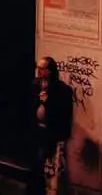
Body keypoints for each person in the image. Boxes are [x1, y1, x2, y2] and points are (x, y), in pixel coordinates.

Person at [30, 57, 74, 195]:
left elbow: (62, 113)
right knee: (37, 165)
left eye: (43, 69)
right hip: (38, 131)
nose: (40, 71)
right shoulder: (35, 84)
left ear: (50, 71)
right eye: (38, 68)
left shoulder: (61, 90)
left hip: (53, 134)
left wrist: (47, 102)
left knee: (52, 167)